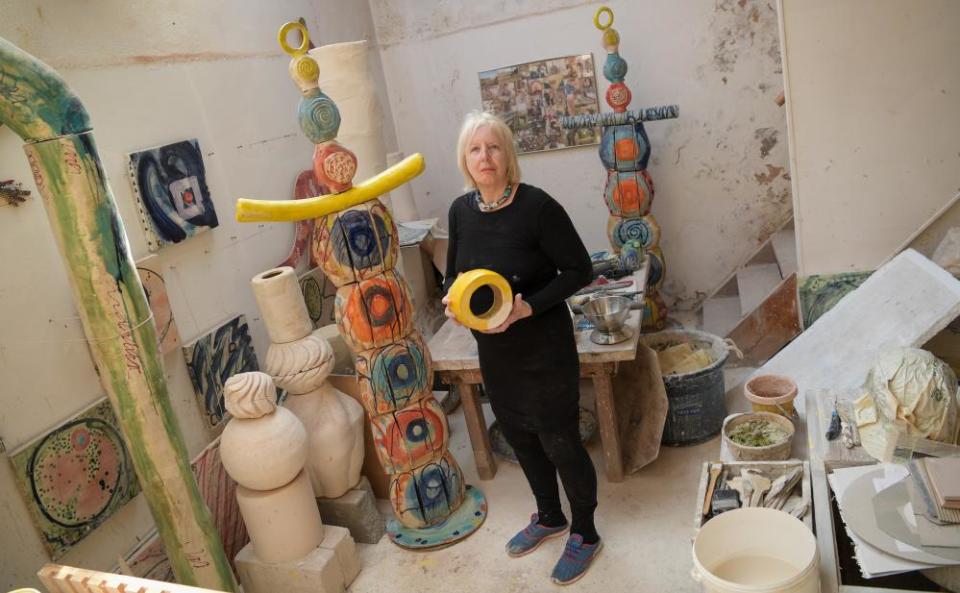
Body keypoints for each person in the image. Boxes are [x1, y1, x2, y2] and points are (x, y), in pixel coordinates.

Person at [441, 111, 600, 585]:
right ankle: (550, 517)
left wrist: (527, 307)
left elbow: (579, 270)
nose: (484, 158)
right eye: (475, 149)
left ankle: (586, 533)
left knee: (560, 441)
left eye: (493, 148)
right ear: (464, 160)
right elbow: (451, 275)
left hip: (543, 348)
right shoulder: (460, 211)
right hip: (495, 352)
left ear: (508, 156)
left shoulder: (538, 207)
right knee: (520, 436)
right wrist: (452, 303)